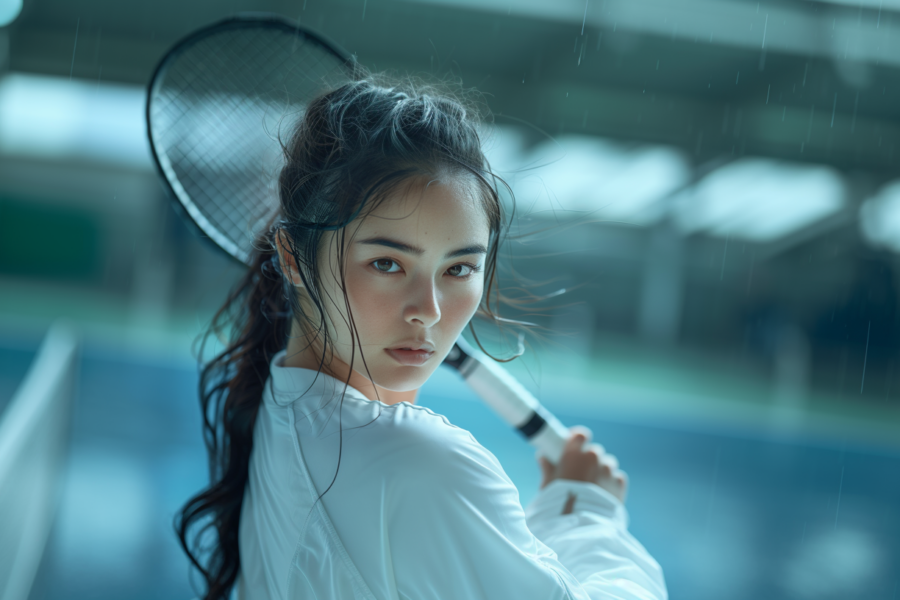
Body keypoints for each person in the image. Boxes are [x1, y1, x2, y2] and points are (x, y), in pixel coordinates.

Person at [176, 74, 667, 600]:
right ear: (293, 259)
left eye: (459, 269)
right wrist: (587, 514)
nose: (428, 311)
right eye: (387, 263)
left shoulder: (279, 405)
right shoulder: (420, 465)